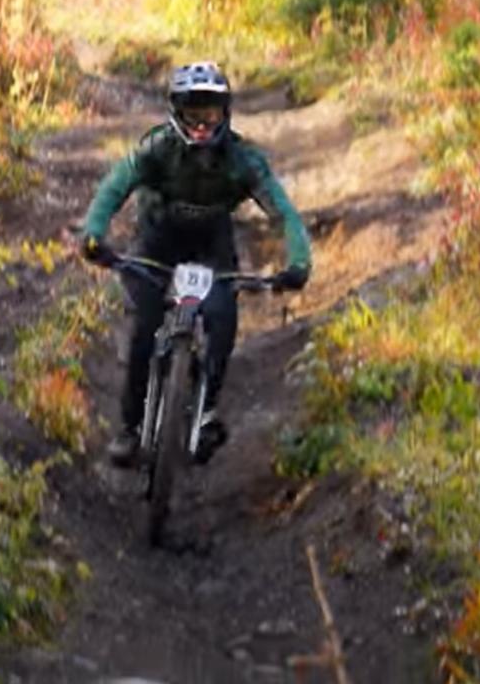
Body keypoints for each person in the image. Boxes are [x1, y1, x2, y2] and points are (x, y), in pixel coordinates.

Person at [78, 61, 312, 467]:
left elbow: (283, 212)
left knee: (222, 316)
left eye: (212, 114)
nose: (202, 125)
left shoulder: (243, 159)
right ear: (176, 113)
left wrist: (298, 260)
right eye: (192, 114)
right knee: (145, 327)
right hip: (157, 239)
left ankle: (204, 414)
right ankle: (130, 426)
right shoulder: (156, 147)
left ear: (226, 113)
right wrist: (94, 234)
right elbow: (116, 186)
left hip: (211, 244)